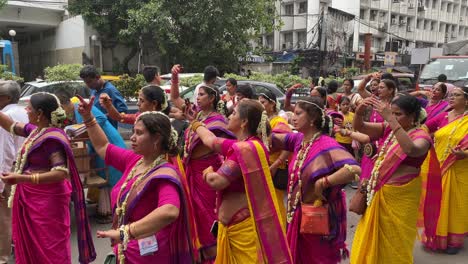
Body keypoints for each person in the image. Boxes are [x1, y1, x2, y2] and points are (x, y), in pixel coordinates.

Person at [77, 96, 193, 263]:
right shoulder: (134, 160)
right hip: (128, 249)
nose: (132, 137)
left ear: (157, 138)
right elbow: (103, 147)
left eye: (139, 133)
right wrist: (88, 118)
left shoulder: (165, 174)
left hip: (150, 254)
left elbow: (169, 211)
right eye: (133, 132)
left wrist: (126, 232)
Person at [0, 92, 95, 264]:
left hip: (46, 202)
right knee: (33, 246)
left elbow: (60, 172)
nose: (26, 110)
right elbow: (11, 125)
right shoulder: (36, 131)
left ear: (40, 113)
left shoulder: (52, 138)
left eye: (29, 108)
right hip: (32, 198)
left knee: (48, 247)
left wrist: (23, 179)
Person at [193, 99, 292, 263]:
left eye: (233, 113)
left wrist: (207, 172)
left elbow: (217, 182)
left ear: (244, 122)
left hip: (242, 230)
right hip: (233, 228)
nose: (229, 116)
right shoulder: (243, 145)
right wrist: (195, 123)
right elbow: (210, 140)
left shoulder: (245, 150)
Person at [270, 97, 360, 264]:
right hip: (297, 215)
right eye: (293, 114)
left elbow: (354, 170)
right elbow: (271, 139)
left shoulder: (325, 144)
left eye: (298, 113)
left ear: (312, 118)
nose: (293, 117)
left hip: (316, 217)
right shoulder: (299, 140)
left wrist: (324, 182)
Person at [351, 95, 439, 263]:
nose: (393, 117)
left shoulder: (422, 137)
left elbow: (411, 150)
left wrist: (391, 120)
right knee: (371, 238)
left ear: (413, 116)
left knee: (395, 242)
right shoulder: (389, 129)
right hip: (379, 191)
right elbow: (359, 127)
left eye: (398, 114)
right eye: (392, 113)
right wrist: (359, 112)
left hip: (401, 196)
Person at [57, 89, 126, 223]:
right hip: (97, 146)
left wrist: (80, 127)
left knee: (112, 177)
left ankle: (115, 211)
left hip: (109, 142)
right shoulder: (72, 112)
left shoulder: (81, 107)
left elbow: (101, 118)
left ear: (64, 105)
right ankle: (106, 208)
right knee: (104, 177)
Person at [421, 86, 468, 254]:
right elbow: (425, 128)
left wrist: (465, 154)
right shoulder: (444, 116)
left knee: (455, 205)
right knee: (437, 203)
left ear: (466, 100)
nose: (452, 97)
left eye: (457, 95)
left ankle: (454, 241)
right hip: (438, 166)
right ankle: (433, 236)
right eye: (451, 95)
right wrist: (425, 139)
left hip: (460, 170)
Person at [0, 81, 28, 264]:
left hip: (11, 172)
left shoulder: (6, 117)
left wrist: (1, 184)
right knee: (22, 214)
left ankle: (2, 257)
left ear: (7, 98)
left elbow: (5, 153)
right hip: (28, 172)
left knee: (4, 217)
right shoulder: (26, 112)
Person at [258, 90, 291, 226]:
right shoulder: (263, 120)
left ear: (272, 104)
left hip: (275, 167)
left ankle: (281, 232)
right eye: (259, 102)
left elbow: (288, 146)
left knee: (276, 201)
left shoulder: (279, 121)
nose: (260, 106)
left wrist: (276, 164)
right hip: (264, 164)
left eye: (263, 102)